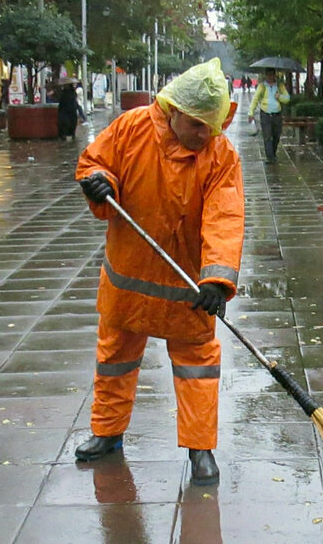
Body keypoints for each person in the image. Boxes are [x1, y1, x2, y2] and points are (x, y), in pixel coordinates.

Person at [74, 57, 243, 487]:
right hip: (129, 277)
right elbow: (96, 161)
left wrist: (217, 280)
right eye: (197, 125)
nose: (205, 135)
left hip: (188, 287)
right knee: (115, 358)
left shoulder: (220, 155)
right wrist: (98, 181)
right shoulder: (132, 129)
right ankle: (107, 434)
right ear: (174, 111)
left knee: (197, 367)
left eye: (213, 126)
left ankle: (200, 448)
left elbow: (224, 216)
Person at [249, 68, 290, 164]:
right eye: (268, 75)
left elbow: (287, 98)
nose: (270, 77)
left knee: (276, 136)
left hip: (277, 115)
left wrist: (279, 97)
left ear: (274, 75)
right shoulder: (262, 86)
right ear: (266, 75)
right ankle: (270, 157)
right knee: (267, 136)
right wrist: (251, 112)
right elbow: (255, 99)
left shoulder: (280, 86)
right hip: (265, 114)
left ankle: (273, 154)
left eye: (272, 75)